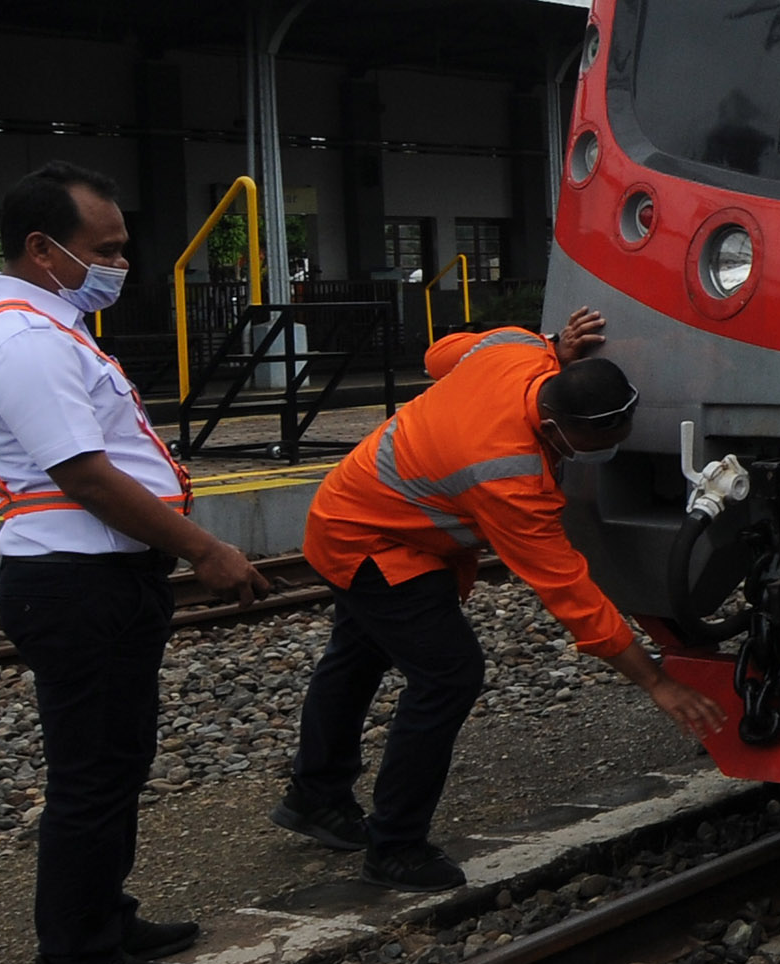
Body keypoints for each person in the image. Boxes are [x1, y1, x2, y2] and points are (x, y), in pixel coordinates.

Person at [0, 162, 265, 964]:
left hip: (99, 576)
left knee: (117, 762)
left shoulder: (50, 324)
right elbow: (86, 476)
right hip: (75, 581)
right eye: (106, 249)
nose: (120, 264)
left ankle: (106, 919)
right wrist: (204, 550)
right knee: (92, 775)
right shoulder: (23, 340)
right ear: (41, 248)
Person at [277, 306, 720, 886]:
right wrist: (656, 681)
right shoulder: (506, 473)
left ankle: (316, 795)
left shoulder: (519, 346)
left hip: (365, 508)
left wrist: (554, 343)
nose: (611, 448)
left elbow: (438, 355)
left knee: (358, 655)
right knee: (449, 674)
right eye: (603, 439)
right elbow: (570, 594)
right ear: (559, 431)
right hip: (369, 540)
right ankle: (395, 848)